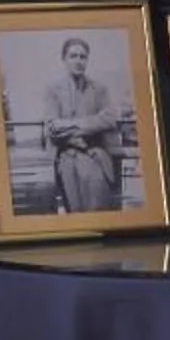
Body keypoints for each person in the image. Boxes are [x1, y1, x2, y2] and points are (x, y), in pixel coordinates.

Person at [41, 37, 127, 212]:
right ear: (64, 59)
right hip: (67, 158)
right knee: (74, 212)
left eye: (83, 57)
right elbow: (52, 127)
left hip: (94, 154)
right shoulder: (53, 90)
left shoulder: (99, 89)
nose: (78, 61)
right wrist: (89, 126)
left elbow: (109, 117)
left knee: (98, 209)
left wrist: (72, 125)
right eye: (73, 56)